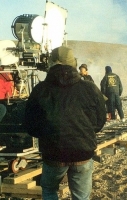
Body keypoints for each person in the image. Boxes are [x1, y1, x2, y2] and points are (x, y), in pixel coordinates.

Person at [24, 46, 106, 200]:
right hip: (83, 152)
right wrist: (83, 131)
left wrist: (49, 133)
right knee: (81, 196)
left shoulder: (40, 89)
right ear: (73, 63)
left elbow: (30, 125)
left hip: (53, 152)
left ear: (50, 64)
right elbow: (100, 121)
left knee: (49, 190)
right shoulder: (90, 88)